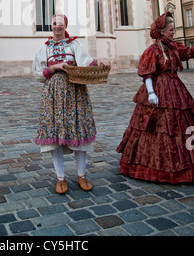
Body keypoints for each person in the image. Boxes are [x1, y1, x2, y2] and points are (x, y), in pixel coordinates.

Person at [33, 13, 110, 194]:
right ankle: (60, 178)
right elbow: (38, 73)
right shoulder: (45, 48)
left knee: (78, 130)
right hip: (53, 94)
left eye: (60, 24)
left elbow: (86, 62)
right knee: (56, 133)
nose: (57, 27)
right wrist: (53, 68)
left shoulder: (74, 44)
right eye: (54, 24)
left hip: (75, 91)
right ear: (50, 26)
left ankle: (81, 174)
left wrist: (98, 61)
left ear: (65, 26)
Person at [117, 11, 194, 184]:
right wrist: (151, 93)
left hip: (176, 90)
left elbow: (189, 52)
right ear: (162, 31)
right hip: (159, 89)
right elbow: (148, 74)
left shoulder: (173, 47)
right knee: (156, 127)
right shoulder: (153, 50)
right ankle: (153, 166)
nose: (173, 32)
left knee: (179, 126)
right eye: (171, 30)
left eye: (173, 29)